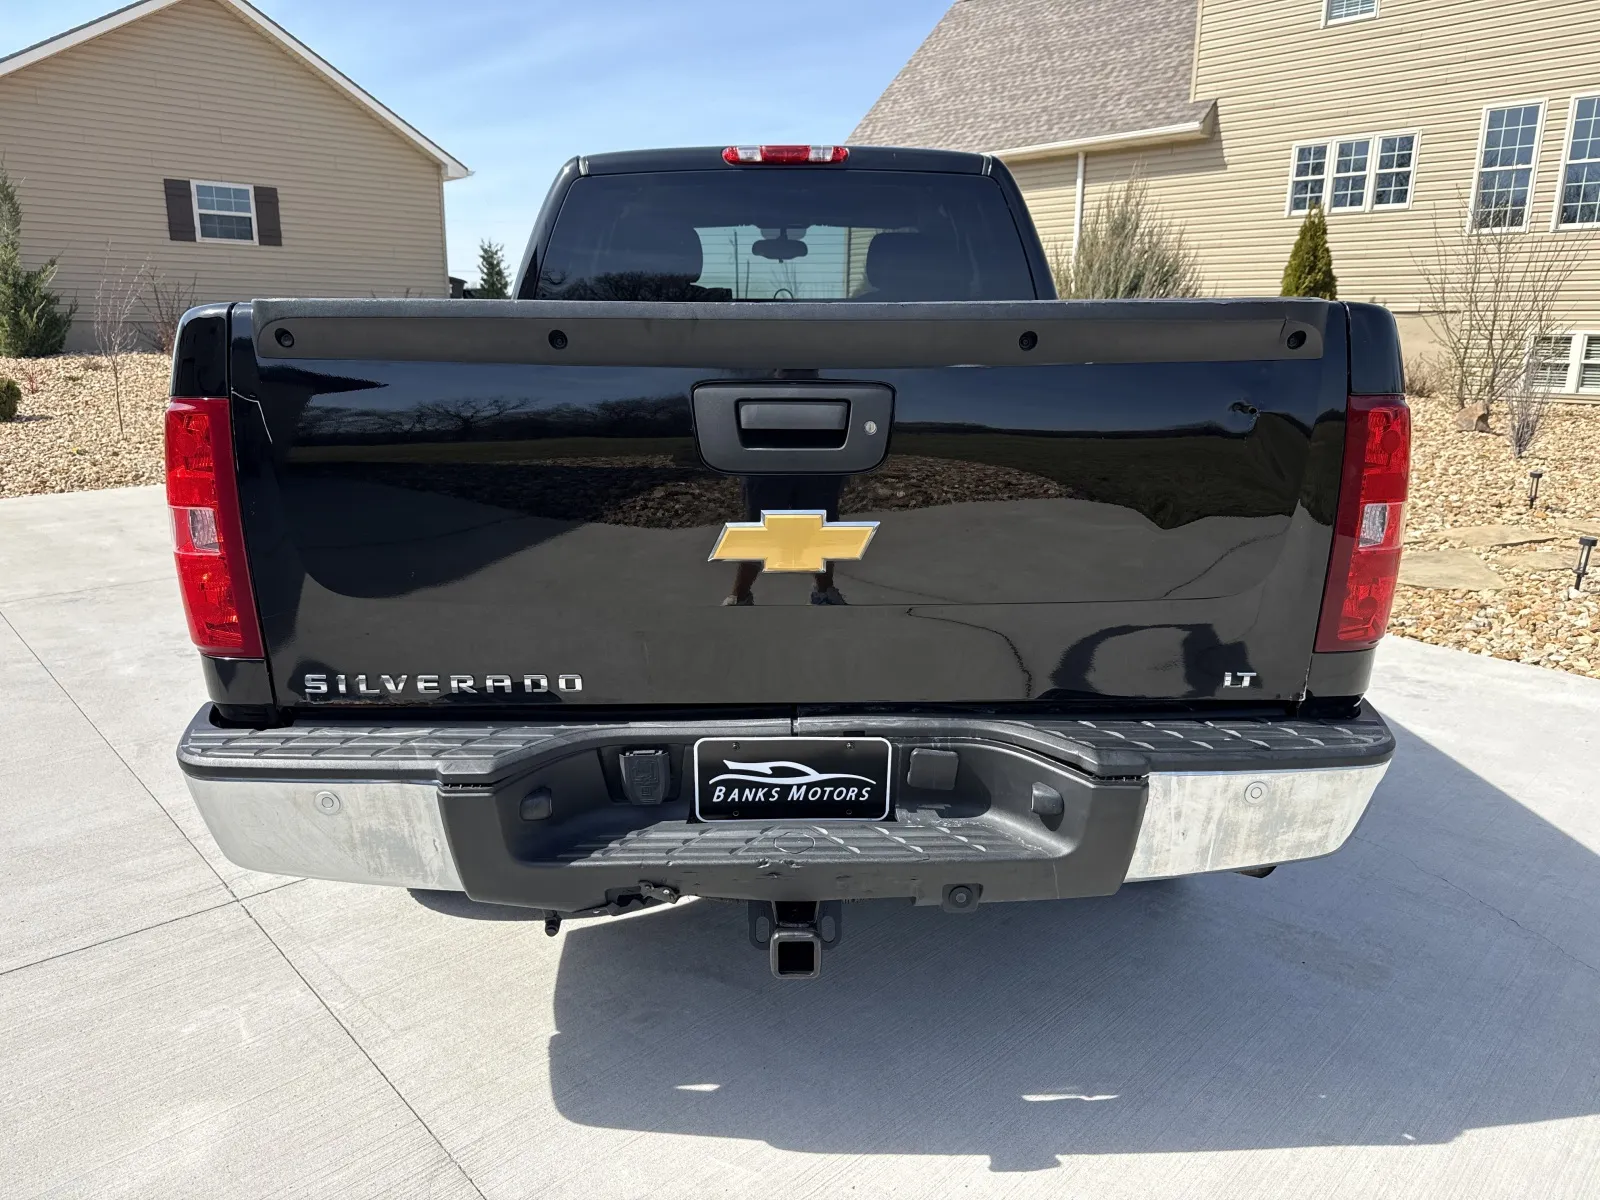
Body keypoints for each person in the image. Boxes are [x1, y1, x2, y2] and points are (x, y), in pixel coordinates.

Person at [723, 474, 848, 606]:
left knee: (820, 522)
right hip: (766, 462)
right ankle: (740, 595)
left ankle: (825, 591)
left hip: (817, 461)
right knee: (759, 526)